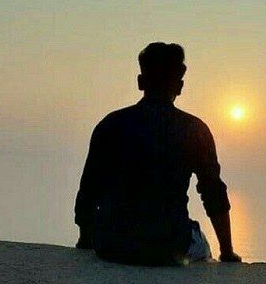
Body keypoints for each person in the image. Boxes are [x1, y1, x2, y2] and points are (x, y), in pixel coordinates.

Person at [74, 42, 242, 266]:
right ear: (179, 86)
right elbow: (213, 193)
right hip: (169, 246)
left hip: (112, 244)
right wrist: (227, 251)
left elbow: (89, 189)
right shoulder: (194, 131)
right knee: (201, 243)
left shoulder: (110, 125)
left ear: (140, 82)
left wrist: (86, 239)